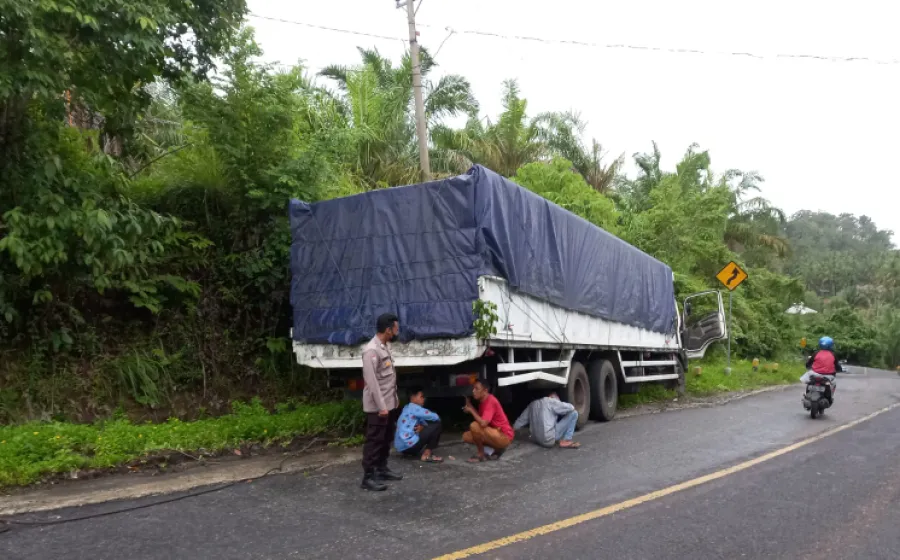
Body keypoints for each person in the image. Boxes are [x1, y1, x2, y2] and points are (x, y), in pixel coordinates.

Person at [360, 313, 403, 491]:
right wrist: (382, 407)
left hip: (389, 403)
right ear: (388, 330)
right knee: (375, 440)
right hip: (378, 407)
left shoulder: (384, 347)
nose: (397, 332)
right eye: (395, 329)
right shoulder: (371, 350)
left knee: (386, 438)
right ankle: (368, 477)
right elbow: (372, 383)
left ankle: (381, 469)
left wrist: (393, 402)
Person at [463, 380, 514, 462]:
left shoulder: (491, 401)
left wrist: (471, 411)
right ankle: (495, 449)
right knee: (466, 436)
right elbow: (480, 418)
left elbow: (483, 423)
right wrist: (470, 405)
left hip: (504, 436)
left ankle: (481, 454)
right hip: (495, 432)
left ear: (485, 391)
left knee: (474, 426)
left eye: (477, 389)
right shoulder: (483, 401)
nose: (473, 391)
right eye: (473, 388)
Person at [513, 392, 581, 449]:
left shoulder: (532, 404)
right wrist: (559, 404)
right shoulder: (551, 401)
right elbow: (571, 407)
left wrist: (511, 431)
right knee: (574, 413)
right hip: (548, 441)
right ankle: (566, 440)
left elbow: (520, 421)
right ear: (553, 398)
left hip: (535, 439)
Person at [394, 387, 444, 463]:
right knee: (437, 424)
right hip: (410, 446)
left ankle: (411, 453)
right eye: (421, 396)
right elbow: (435, 417)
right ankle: (427, 454)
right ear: (413, 397)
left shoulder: (406, 408)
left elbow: (423, 423)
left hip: (402, 448)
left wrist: (422, 427)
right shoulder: (415, 408)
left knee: (428, 425)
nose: (424, 399)